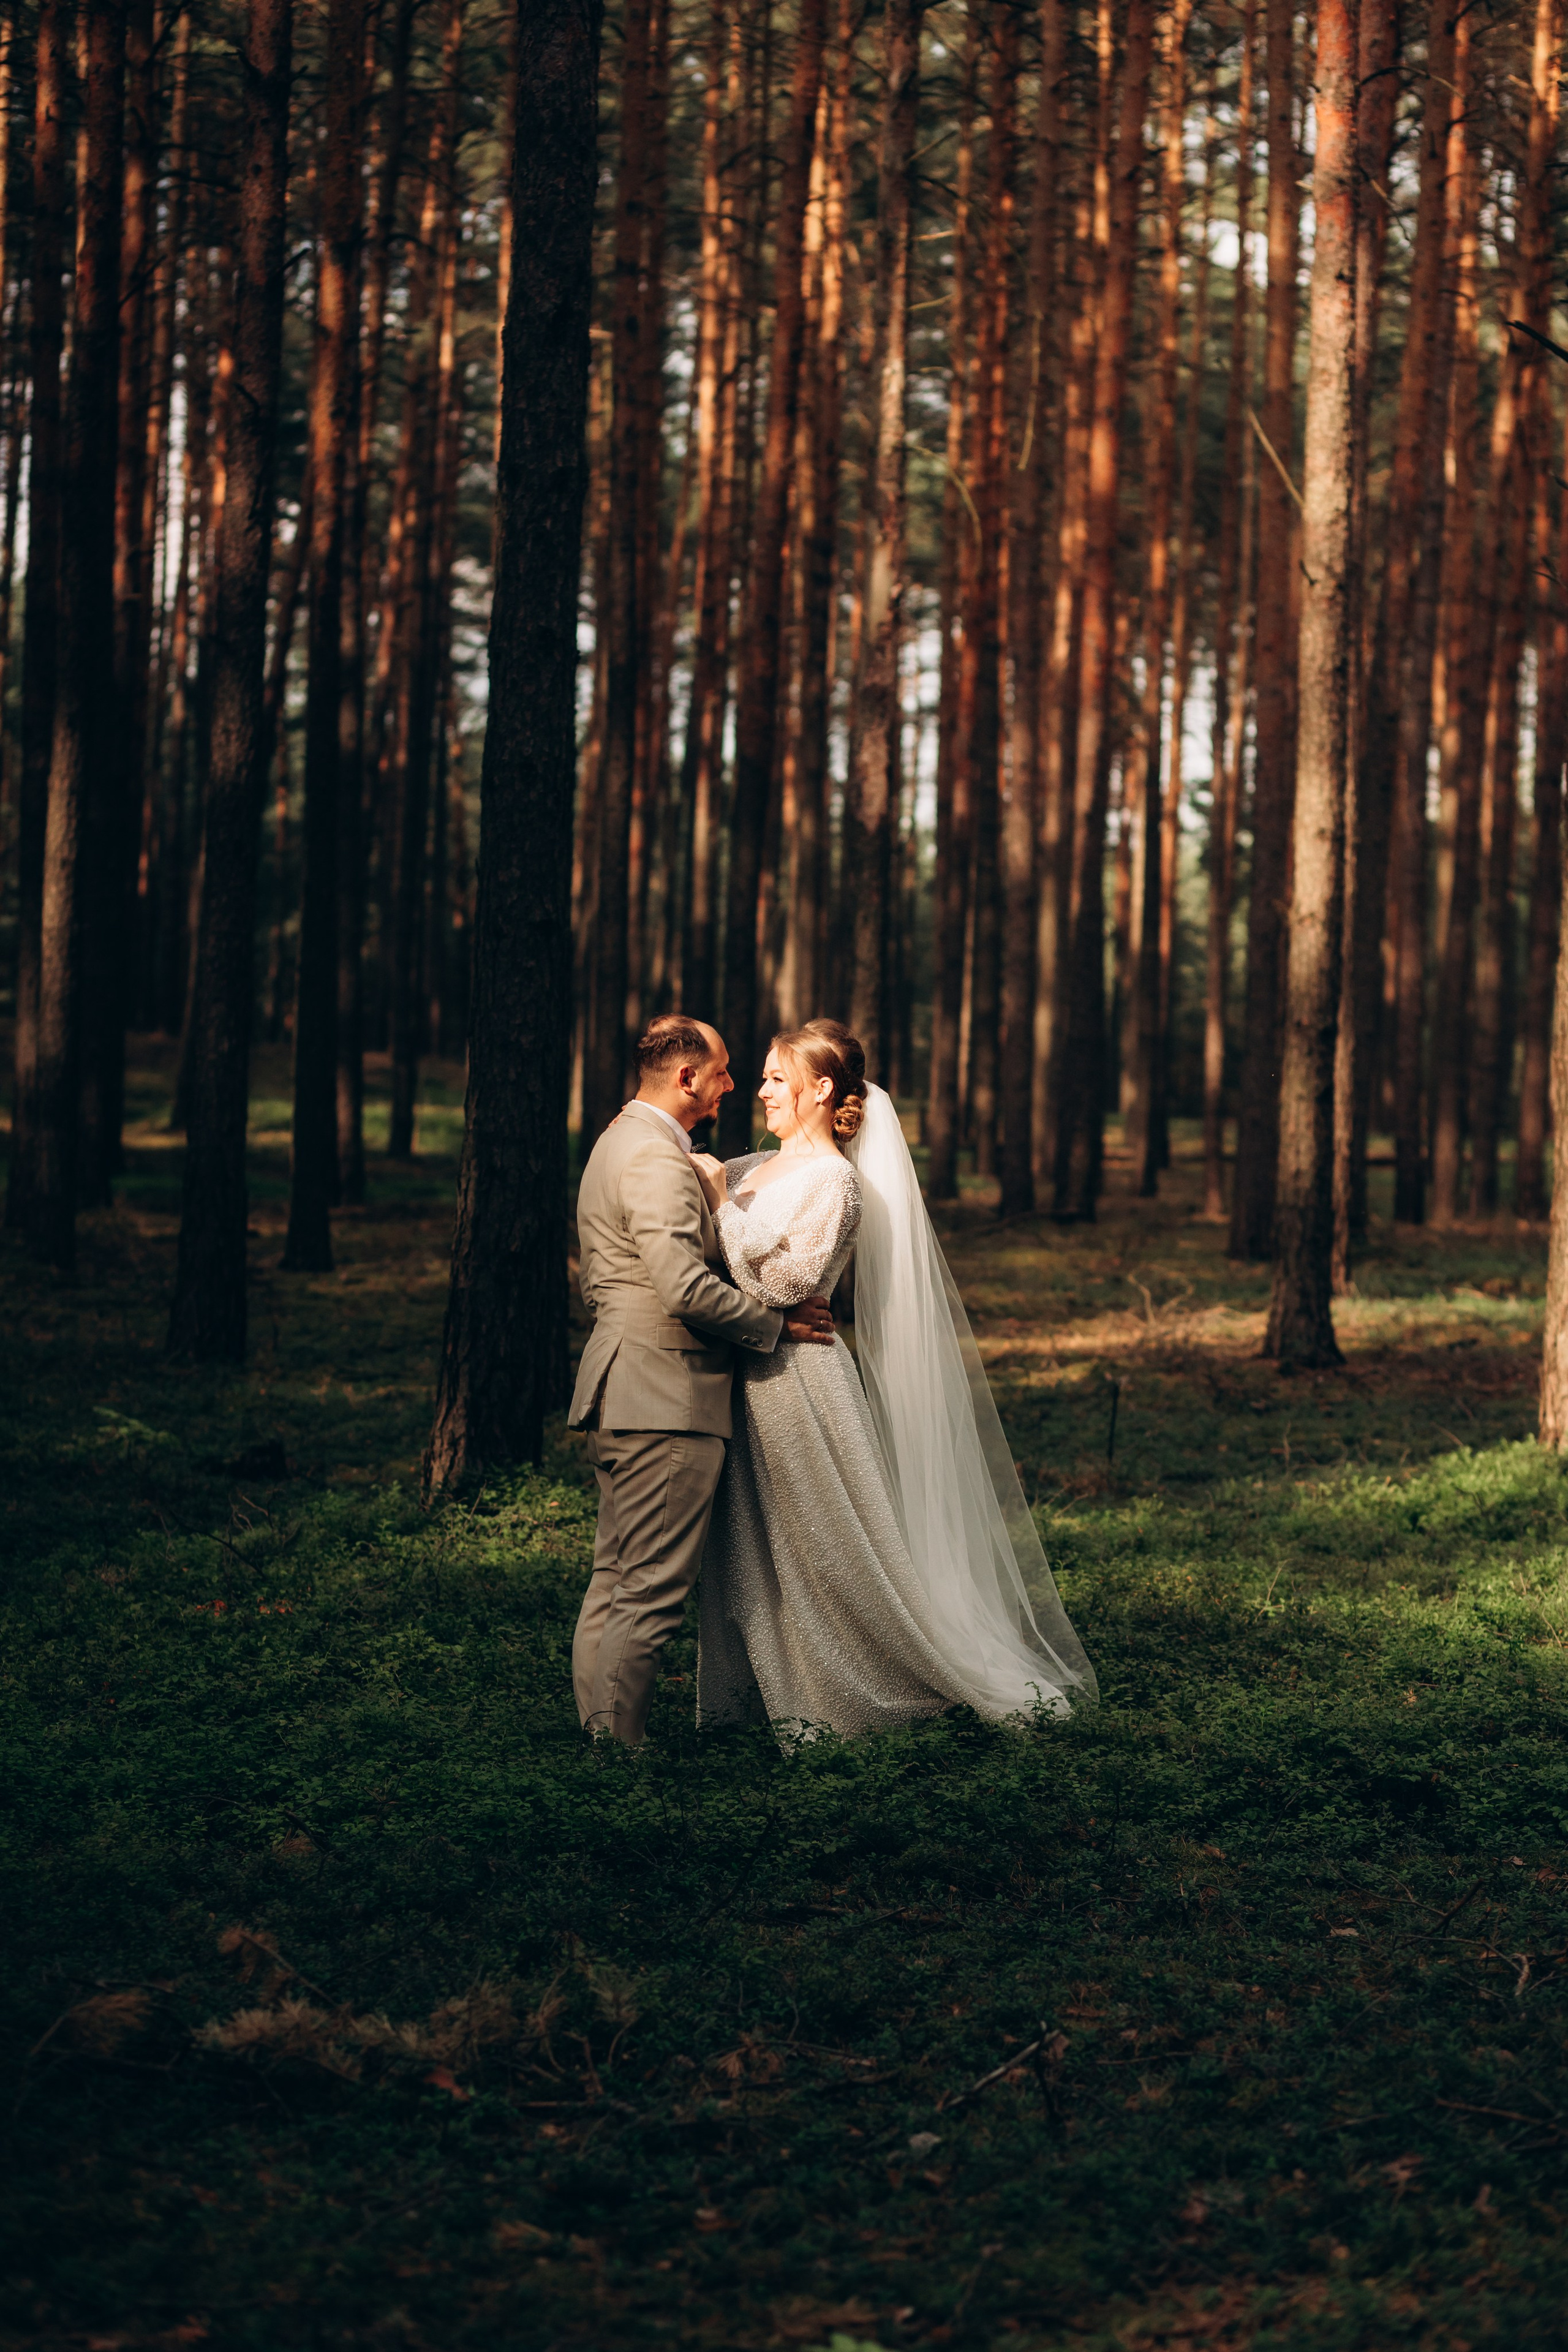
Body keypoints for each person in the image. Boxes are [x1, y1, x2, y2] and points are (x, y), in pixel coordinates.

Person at [688, 1019, 1096, 1739]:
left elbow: (789, 1282)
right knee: (749, 1547)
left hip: (799, 1382)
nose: (761, 1091)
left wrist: (722, 1207)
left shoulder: (836, 1181)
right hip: (740, 1376)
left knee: (823, 1546)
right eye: (764, 1078)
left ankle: (858, 1693)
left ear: (821, 1089)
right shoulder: (748, 1169)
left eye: (777, 1079)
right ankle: (754, 1700)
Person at [567, 1014, 836, 1745]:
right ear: (686, 1077)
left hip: (622, 1385)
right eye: (720, 1072)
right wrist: (776, 1325)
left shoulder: (618, 1142)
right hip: (665, 1395)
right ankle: (616, 1757)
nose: (732, 1085)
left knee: (615, 1581)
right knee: (650, 1591)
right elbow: (683, 1287)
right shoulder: (655, 1158)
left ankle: (598, 1742)